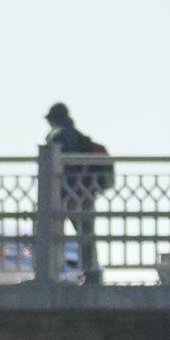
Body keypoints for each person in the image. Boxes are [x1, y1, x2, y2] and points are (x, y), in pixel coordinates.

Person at [39, 101, 114, 282]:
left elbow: (57, 164)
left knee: (53, 234)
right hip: (85, 192)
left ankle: (52, 274)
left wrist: (61, 190)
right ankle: (92, 274)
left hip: (66, 193)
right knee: (86, 235)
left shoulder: (56, 135)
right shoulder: (80, 136)